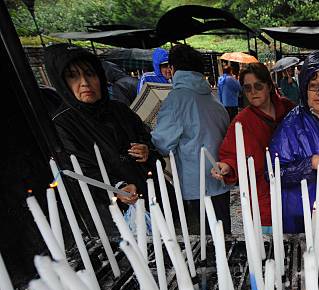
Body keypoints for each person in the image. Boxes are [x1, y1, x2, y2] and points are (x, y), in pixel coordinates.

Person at [44, 44, 161, 211]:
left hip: (153, 199)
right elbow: (80, 171)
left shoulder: (120, 110)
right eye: (73, 76)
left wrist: (147, 151)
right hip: (113, 212)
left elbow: (149, 143)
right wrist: (116, 186)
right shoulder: (62, 124)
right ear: (62, 83)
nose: (85, 83)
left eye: (90, 74)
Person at [152, 44, 231, 234]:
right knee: (224, 237)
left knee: (205, 242)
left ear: (173, 69)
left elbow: (162, 143)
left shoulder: (176, 99)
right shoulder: (213, 99)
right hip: (221, 179)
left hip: (195, 185)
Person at [268, 51, 319, 234]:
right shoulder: (290, 126)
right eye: (314, 86)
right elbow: (273, 173)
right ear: (304, 88)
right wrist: (310, 163)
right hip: (299, 214)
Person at [211, 63, 294, 231]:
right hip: (262, 196)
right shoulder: (242, 121)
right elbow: (231, 153)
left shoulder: (287, 108)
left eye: (258, 86)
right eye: (247, 88)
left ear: (269, 86)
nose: (253, 92)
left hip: (292, 190)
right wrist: (226, 166)